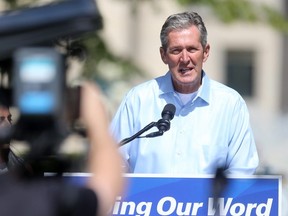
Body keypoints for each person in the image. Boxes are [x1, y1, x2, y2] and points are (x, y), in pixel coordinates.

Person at [110, 11, 259, 175]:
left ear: (206, 52)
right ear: (163, 55)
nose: (185, 58)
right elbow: (111, 162)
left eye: (192, 49)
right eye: (176, 50)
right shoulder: (137, 100)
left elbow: (241, 172)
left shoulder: (230, 104)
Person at [0, 82, 124, 216]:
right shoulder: (28, 195)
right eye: (1, 120)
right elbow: (106, 190)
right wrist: (97, 122)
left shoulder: (22, 169)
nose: (8, 125)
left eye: (10, 119)